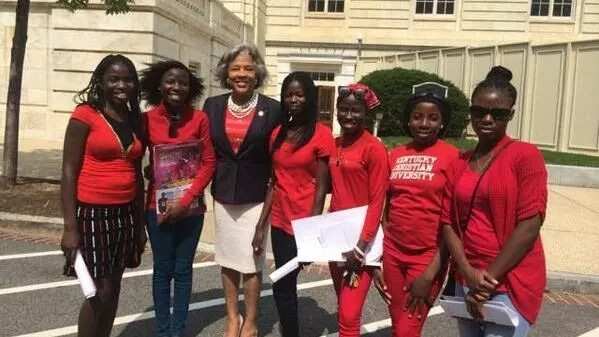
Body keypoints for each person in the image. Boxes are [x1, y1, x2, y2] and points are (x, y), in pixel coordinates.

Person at [441, 66, 548, 337]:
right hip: (468, 277)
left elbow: (530, 225)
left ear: (510, 115)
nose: (486, 118)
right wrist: (467, 272)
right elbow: (447, 222)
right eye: (478, 111)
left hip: (509, 281)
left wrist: (487, 282)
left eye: (497, 114)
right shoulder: (460, 162)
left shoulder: (525, 156)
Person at [60, 54, 146, 337]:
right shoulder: (85, 114)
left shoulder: (134, 119)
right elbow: (69, 171)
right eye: (114, 79)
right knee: (98, 291)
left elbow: (137, 173)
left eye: (128, 79)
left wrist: (139, 226)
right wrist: (70, 228)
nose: (122, 84)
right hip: (93, 212)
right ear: (102, 82)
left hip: (125, 214)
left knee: (115, 287)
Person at [202, 44, 282, 337]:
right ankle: (232, 318)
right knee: (227, 259)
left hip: (256, 197)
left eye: (248, 68)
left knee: (251, 261)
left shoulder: (273, 109)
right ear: (226, 72)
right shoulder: (212, 105)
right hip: (223, 194)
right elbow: (204, 150)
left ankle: (251, 320)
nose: (242, 74)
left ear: (257, 72)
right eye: (236, 68)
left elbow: (279, 157)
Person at [252, 71, 334, 337]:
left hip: (304, 222)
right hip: (280, 221)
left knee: (284, 282)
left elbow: (322, 186)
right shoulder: (277, 133)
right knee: (283, 285)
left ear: (309, 98)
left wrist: (312, 231)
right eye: (289, 95)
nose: (294, 100)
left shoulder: (321, 134)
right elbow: (274, 182)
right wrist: (260, 226)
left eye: (299, 94)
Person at [140, 60, 216, 337]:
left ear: (190, 88)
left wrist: (186, 201)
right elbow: (139, 158)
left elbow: (209, 162)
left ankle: (179, 330)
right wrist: (152, 170)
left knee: (183, 270)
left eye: (183, 82)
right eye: (171, 81)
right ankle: (162, 331)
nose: (177, 87)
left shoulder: (199, 119)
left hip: (191, 209)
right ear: (160, 85)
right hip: (156, 208)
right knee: (162, 269)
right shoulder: (147, 119)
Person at [384, 82, 459, 337]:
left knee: (408, 328)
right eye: (417, 117)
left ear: (442, 123)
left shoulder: (453, 158)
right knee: (398, 323)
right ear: (408, 120)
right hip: (393, 253)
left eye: (432, 118)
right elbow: (386, 202)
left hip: (428, 256)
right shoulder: (395, 155)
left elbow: (453, 221)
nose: (424, 123)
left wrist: (430, 274)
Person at [327, 83, 390, 337]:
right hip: (335, 239)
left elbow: (377, 201)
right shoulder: (334, 144)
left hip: (360, 243)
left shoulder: (373, 148)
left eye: (355, 110)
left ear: (366, 113)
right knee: (343, 306)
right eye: (343, 109)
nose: (348, 116)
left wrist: (361, 246)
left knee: (349, 314)